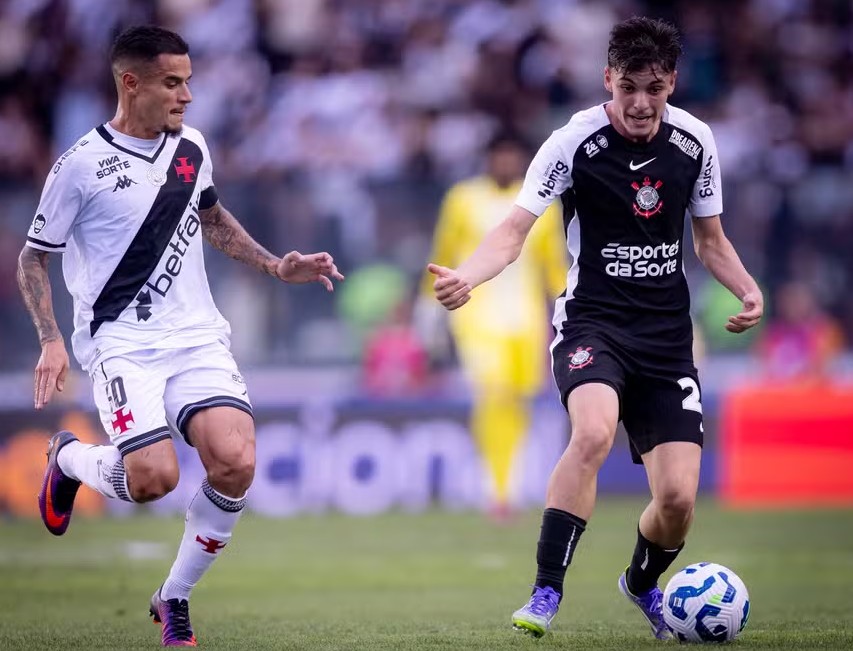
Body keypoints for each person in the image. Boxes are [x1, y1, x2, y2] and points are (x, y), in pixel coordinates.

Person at [428, 17, 763, 639]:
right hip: (593, 323)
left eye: (654, 88)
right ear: (608, 78)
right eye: (628, 86)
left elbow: (710, 241)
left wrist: (746, 289)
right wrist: (469, 277)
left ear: (672, 83)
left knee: (678, 501)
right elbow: (512, 231)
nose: (640, 103)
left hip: (666, 337)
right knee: (592, 432)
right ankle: (546, 591)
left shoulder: (696, 143)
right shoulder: (571, 143)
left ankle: (639, 583)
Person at [17, 25, 343, 648]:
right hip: (121, 343)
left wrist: (277, 265)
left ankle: (174, 598)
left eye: (189, 80)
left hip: (195, 334)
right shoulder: (79, 166)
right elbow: (33, 258)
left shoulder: (190, 146)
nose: (187, 95)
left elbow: (212, 217)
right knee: (151, 480)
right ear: (130, 83)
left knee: (236, 461)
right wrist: (51, 339)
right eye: (173, 82)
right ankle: (67, 458)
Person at [417, 133, 567, 520]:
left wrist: (570, 305)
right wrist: (427, 309)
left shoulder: (541, 205)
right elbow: (444, 254)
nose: (505, 163)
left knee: (518, 400)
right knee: (494, 393)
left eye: (512, 156)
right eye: (499, 155)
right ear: (488, 158)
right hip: (477, 316)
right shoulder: (463, 199)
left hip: (526, 320)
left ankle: (508, 483)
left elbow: (552, 266)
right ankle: (497, 491)